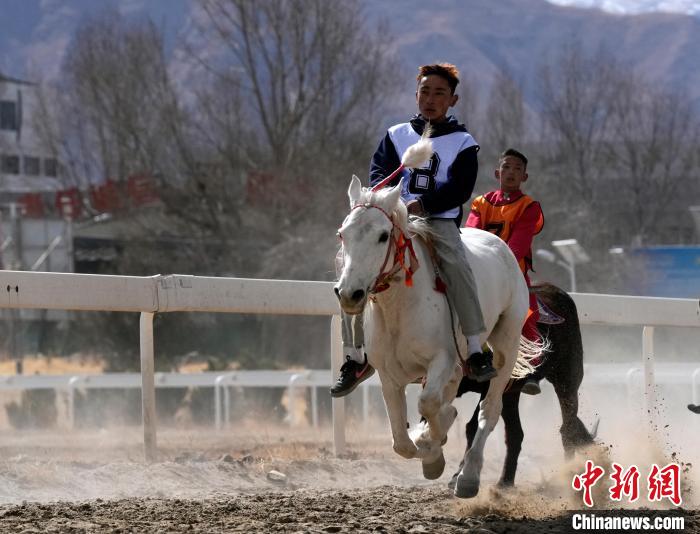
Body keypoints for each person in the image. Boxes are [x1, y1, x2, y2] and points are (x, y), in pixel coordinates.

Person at [331, 62, 494, 398]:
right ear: (415, 94)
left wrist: (423, 205)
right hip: (393, 216)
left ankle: (475, 349)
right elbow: (378, 173)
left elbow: (460, 188)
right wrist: (388, 200)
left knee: (456, 264)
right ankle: (355, 356)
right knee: (350, 265)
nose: (431, 99)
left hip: (438, 219)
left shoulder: (463, 142)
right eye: (425, 92)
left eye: (440, 93)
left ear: (453, 100)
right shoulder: (396, 134)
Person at [465, 148, 545, 395]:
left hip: (512, 274)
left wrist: (497, 268)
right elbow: (470, 234)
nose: (511, 172)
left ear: (525, 177)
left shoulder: (529, 206)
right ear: (497, 173)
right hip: (481, 272)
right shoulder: (481, 203)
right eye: (507, 167)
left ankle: (531, 369)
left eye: (517, 169)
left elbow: (518, 246)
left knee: (528, 313)